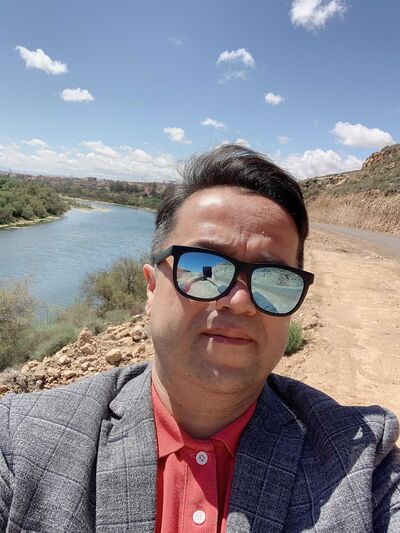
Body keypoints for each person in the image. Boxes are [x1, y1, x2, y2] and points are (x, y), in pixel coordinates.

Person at [0, 144, 399, 532]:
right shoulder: (22, 441)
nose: (240, 301)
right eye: (205, 269)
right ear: (151, 288)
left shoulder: (360, 465)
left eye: (273, 280)